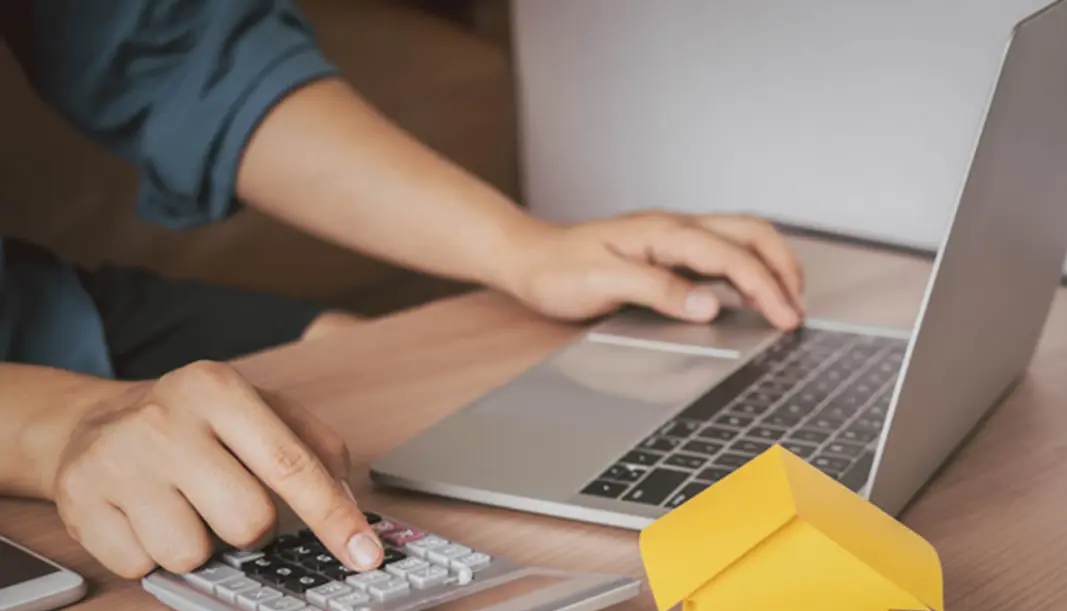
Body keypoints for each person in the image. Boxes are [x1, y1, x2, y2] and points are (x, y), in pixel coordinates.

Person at [0, 0, 804, 581]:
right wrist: (58, 426)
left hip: (48, 309)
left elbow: (167, 45)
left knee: (401, 401)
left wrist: (525, 250)